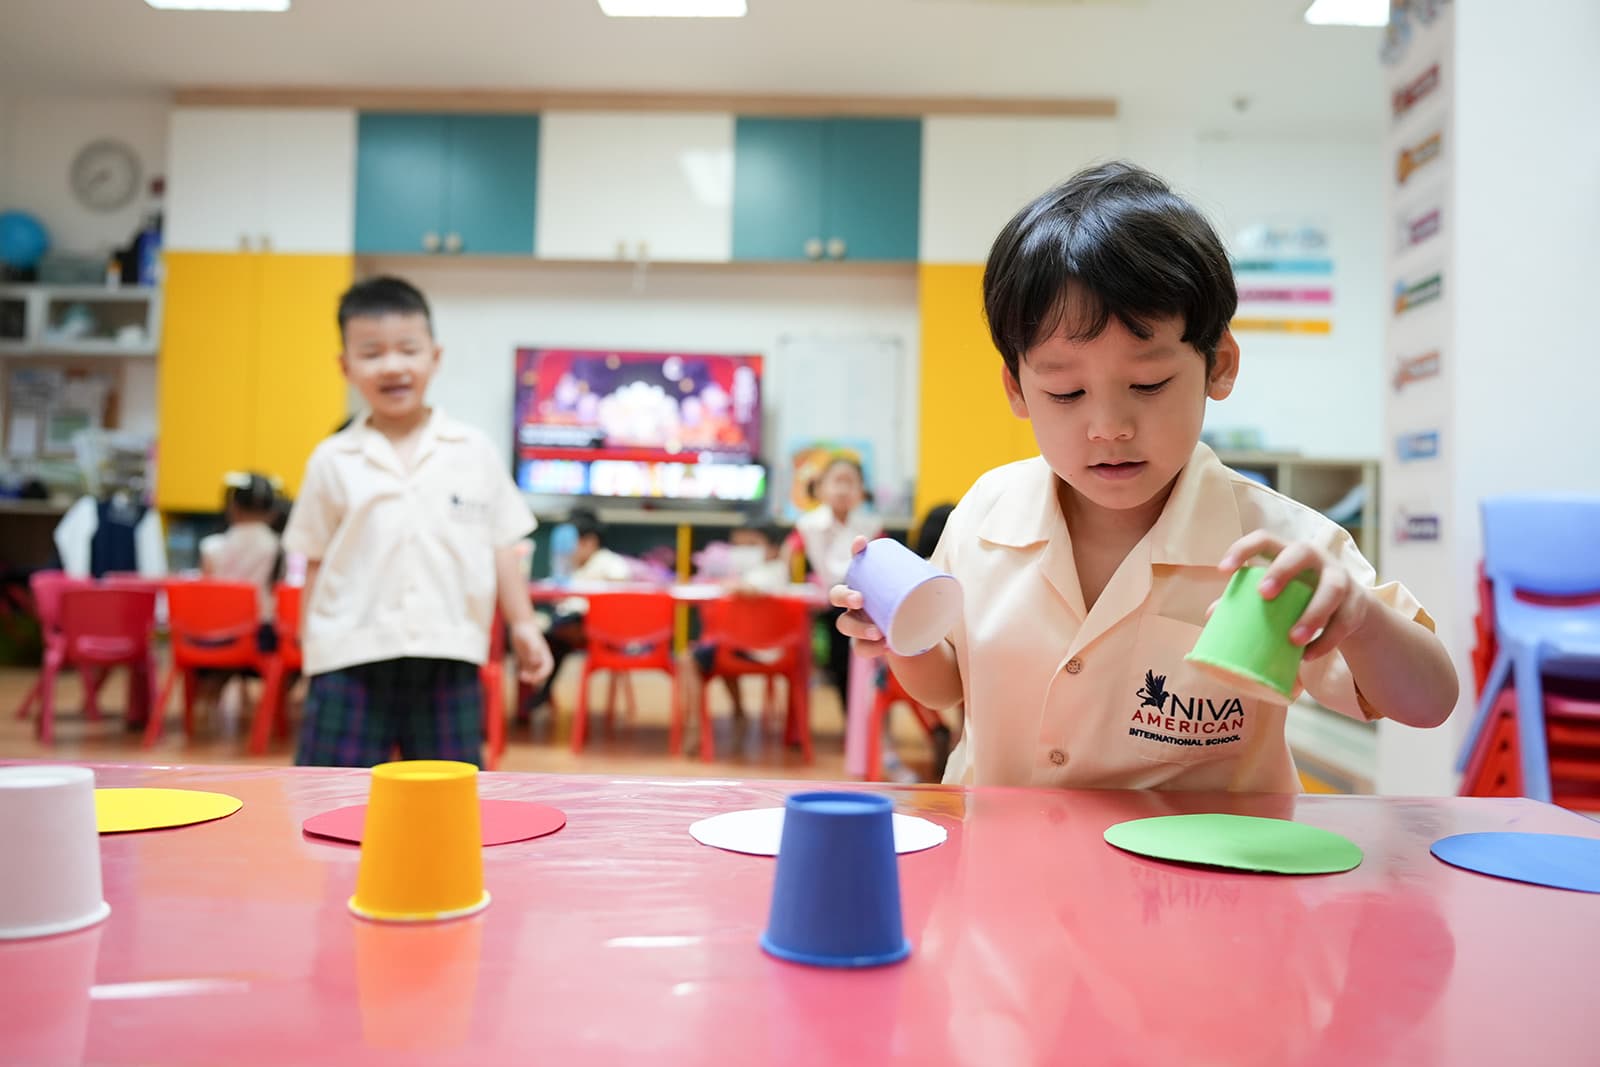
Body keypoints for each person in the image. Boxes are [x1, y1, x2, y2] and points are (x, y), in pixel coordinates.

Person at [833, 162, 1457, 791]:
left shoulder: (1280, 542)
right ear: (1017, 389)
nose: (1108, 427)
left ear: (1219, 365)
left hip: (1200, 881)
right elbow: (947, 686)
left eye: (1148, 384)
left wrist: (1360, 618)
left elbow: (1428, 704)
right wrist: (901, 633)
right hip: (1006, 866)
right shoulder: (987, 514)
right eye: (1066, 392)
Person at [283, 276, 553, 768]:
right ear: (345, 366)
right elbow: (317, 563)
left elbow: (502, 548)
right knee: (329, 801)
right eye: (371, 352)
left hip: (449, 655)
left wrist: (524, 626)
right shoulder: (332, 458)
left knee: (448, 807)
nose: (392, 366)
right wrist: (308, 657)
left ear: (435, 356)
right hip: (347, 658)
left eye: (408, 349)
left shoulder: (473, 451)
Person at [795, 455, 880, 716]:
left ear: (861, 491)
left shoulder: (872, 525)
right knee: (839, 655)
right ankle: (852, 717)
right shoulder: (808, 525)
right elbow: (813, 564)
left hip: (867, 604)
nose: (843, 490)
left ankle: (868, 719)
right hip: (830, 604)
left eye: (850, 482)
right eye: (837, 482)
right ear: (821, 488)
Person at [691, 519, 792, 720]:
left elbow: (751, 589)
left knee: (689, 658)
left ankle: (695, 723)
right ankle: (737, 710)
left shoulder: (772, 572)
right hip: (746, 647)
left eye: (752, 546)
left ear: (773, 548)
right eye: (738, 546)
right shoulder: (757, 572)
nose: (744, 552)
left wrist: (730, 585)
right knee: (716, 651)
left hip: (763, 650)